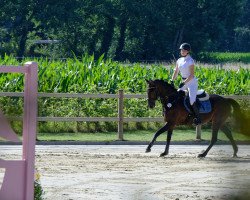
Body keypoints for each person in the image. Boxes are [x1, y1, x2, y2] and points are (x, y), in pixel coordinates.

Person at [170, 43, 201, 125]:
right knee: (176, 96)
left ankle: (198, 118)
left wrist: (183, 83)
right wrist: (172, 80)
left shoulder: (190, 61)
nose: (182, 51)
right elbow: (176, 71)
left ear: (188, 51)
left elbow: (191, 75)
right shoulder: (179, 60)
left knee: (191, 100)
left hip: (192, 83)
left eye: (184, 50)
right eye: (181, 50)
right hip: (184, 82)